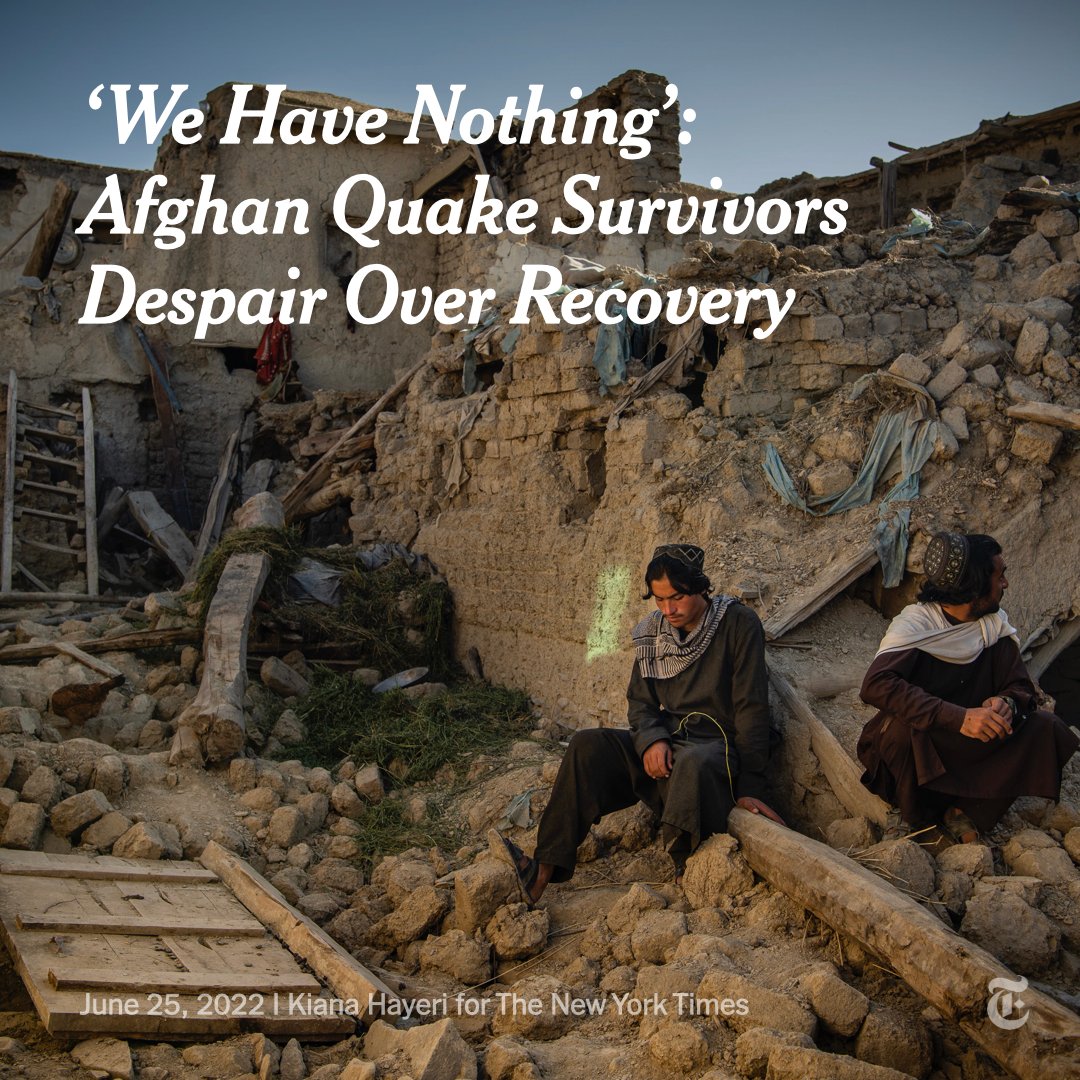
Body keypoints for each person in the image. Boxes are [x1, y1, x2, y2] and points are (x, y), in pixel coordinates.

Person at [494, 542, 783, 904]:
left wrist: (751, 785)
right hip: (669, 745)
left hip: (715, 751)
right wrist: (651, 740)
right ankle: (543, 868)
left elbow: (752, 709)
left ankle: (687, 870)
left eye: (676, 598)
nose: (668, 609)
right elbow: (641, 703)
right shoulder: (654, 633)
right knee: (586, 746)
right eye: (659, 600)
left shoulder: (738, 623)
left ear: (699, 587)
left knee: (693, 762)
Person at [857, 531, 1079, 842]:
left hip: (973, 745)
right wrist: (959, 718)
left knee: (1046, 728)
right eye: (999, 576)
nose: (1005, 585)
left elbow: (1020, 688)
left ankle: (967, 811)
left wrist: (1007, 703)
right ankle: (910, 813)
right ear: (974, 586)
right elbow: (876, 686)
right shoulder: (917, 627)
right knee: (899, 731)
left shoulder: (993, 627)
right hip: (928, 742)